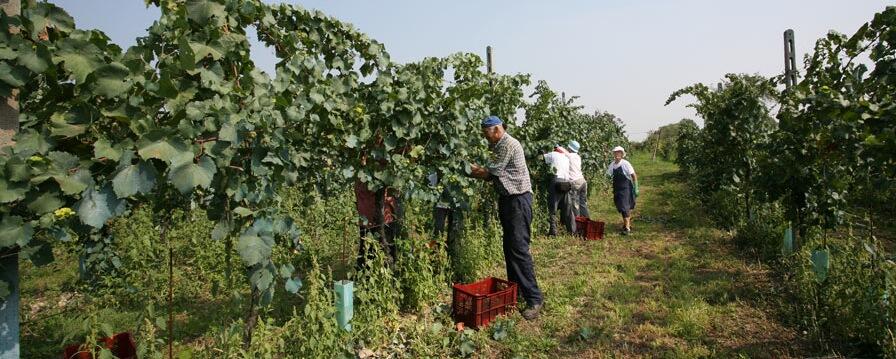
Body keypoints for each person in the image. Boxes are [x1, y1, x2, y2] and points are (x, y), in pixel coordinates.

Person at [469, 115, 544, 320]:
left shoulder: (507, 144)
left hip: (518, 201)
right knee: (510, 248)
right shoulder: (500, 145)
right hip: (510, 201)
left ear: (495, 130)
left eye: (486, 133)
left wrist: (466, 169)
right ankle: (516, 291)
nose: (485, 138)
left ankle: (534, 298)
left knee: (519, 249)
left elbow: (490, 174)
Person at [354, 179, 401, 269]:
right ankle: (386, 271)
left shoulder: (361, 175)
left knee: (366, 247)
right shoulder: (381, 173)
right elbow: (392, 194)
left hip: (366, 217)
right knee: (384, 245)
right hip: (382, 218)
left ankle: (364, 271)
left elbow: (357, 191)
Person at [543, 145, 575, 235]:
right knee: (567, 208)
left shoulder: (552, 154)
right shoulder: (566, 157)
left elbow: (542, 158)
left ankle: (553, 232)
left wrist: (542, 152)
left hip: (556, 181)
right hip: (566, 183)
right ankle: (572, 231)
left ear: (555, 149)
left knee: (553, 208)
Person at [606, 146, 638, 235]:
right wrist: (606, 186)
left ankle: (627, 228)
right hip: (617, 188)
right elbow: (608, 175)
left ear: (622, 154)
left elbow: (633, 175)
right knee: (621, 207)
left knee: (625, 207)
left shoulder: (625, 164)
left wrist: (636, 187)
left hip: (625, 188)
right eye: (616, 153)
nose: (617, 154)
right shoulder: (612, 164)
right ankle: (626, 224)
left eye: (619, 153)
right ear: (614, 154)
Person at [562, 140, 590, 218]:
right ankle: (586, 221)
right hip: (582, 181)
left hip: (575, 182)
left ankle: (577, 224)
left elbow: (562, 151)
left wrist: (557, 146)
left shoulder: (569, 156)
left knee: (575, 205)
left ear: (570, 148)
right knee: (583, 203)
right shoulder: (578, 157)